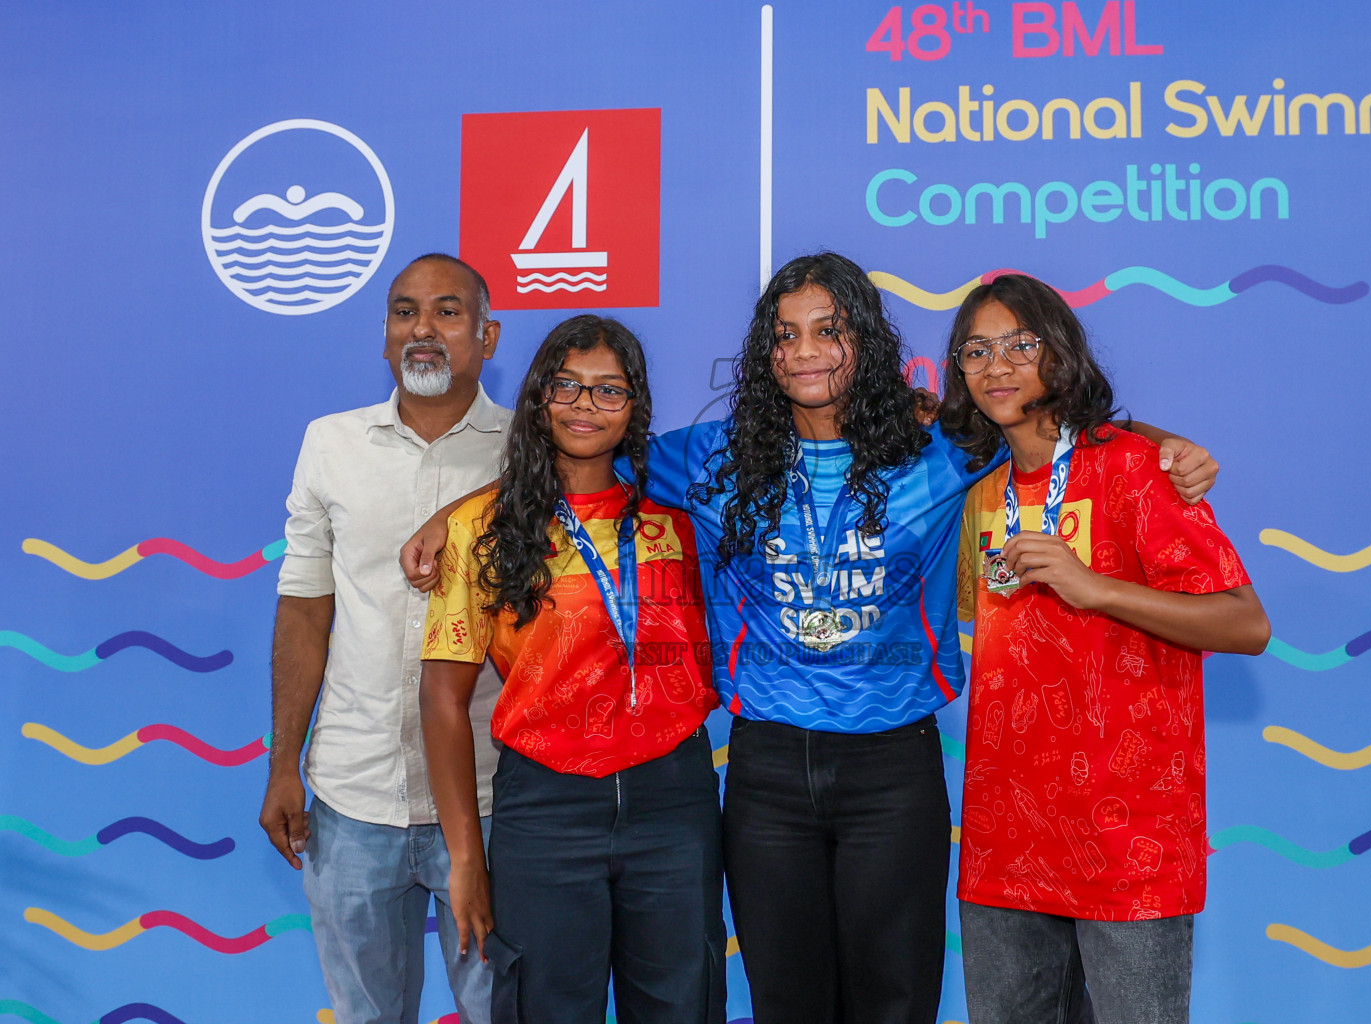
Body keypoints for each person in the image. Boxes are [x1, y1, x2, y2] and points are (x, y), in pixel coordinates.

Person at [401, 252, 1216, 1024]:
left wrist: (1163, 443)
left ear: (864, 340)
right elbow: (582, 446)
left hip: (893, 769)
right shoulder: (714, 458)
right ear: (764, 351)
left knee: (894, 1004)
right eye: (784, 334)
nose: (805, 352)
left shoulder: (937, 447)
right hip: (767, 777)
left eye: (828, 330)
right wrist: (457, 512)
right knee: (787, 1004)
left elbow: (1047, 423)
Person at [945, 273, 1270, 1024]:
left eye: (1020, 345)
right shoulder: (978, 490)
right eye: (976, 350)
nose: (997, 366)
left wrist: (1099, 590)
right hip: (1006, 840)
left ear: (1058, 354)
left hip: (1129, 843)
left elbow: (1246, 623)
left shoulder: (1136, 469)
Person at [418, 315, 724, 1024]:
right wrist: (467, 859)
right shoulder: (482, 530)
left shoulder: (679, 517)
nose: (586, 406)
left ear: (636, 407)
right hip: (544, 810)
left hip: (673, 801)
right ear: (538, 397)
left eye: (609, 391)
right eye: (568, 386)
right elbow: (441, 699)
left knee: (684, 1004)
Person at [259, 254, 505, 1024]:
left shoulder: (533, 447)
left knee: (507, 1011)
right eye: (405, 312)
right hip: (350, 798)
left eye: (447, 311)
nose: (422, 329)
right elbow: (304, 611)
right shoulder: (330, 444)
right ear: (385, 334)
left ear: (489, 335)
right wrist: (283, 765)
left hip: (494, 798)